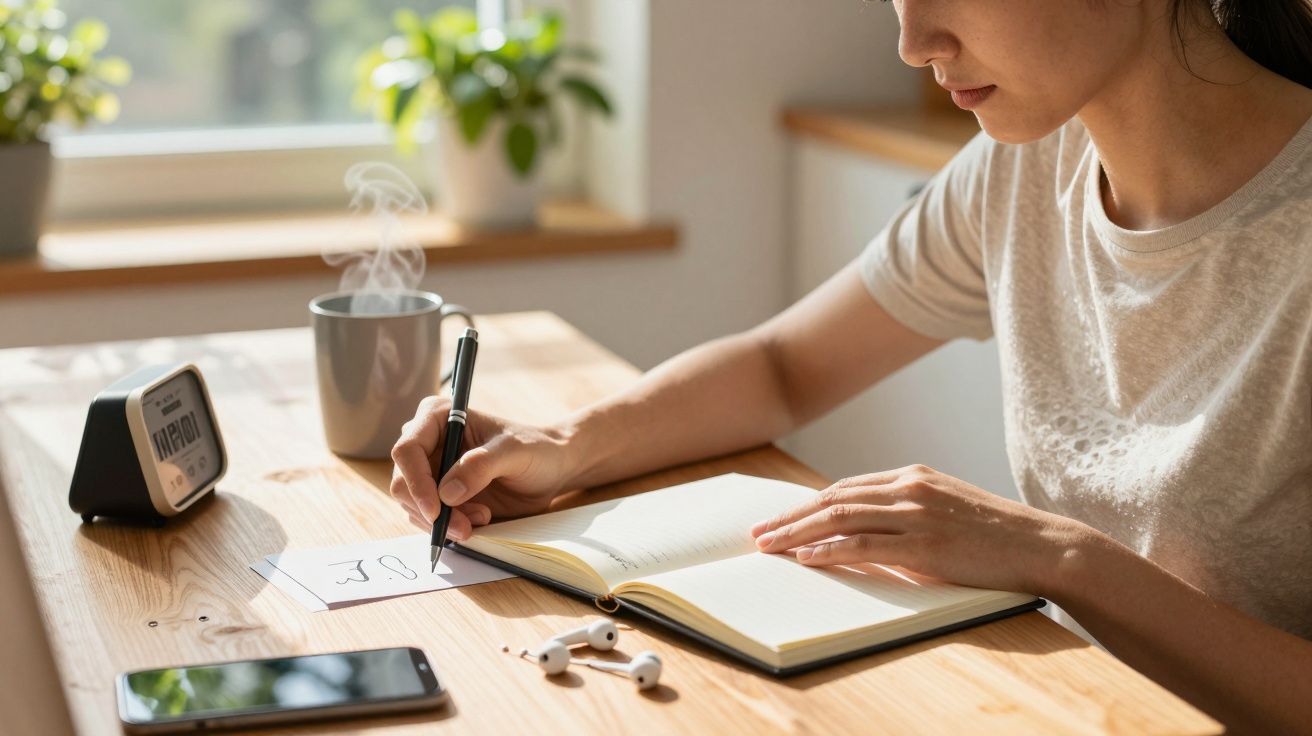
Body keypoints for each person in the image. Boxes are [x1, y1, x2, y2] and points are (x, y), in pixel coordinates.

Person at [390, 0, 1312, 730]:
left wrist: (1061, 558)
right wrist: (563, 445)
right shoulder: (1025, 171)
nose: (911, 40)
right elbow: (785, 367)